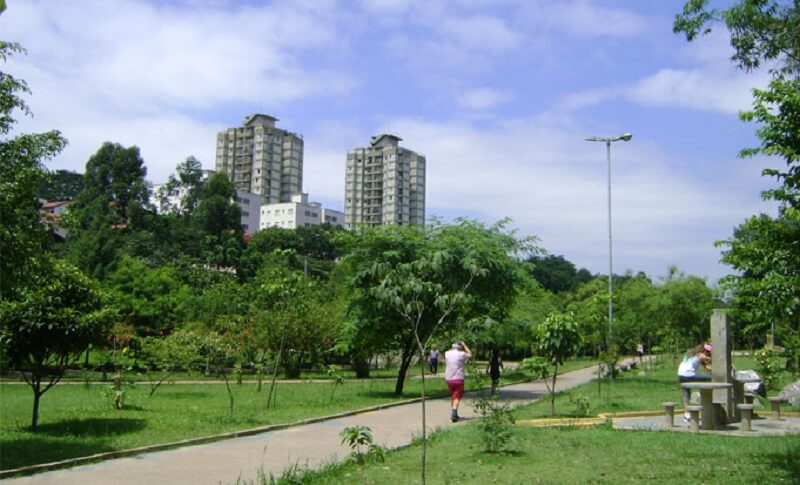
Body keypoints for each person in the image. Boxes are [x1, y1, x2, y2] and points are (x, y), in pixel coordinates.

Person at [677, 343, 712, 421]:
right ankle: (705, 396)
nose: (709, 354)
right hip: (689, 375)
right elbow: (709, 360)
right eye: (708, 352)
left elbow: (707, 367)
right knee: (711, 378)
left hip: (680, 375)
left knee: (686, 394)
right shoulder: (700, 355)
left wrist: (712, 369)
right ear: (704, 350)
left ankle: (686, 415)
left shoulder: (690, 355)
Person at [444, 341, 472, 422]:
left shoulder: (447, 353)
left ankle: (454, 412)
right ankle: (454, 412)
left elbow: (450, 350)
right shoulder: (462, 354)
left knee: (453, 395)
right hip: (458, 378)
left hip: (449, 379)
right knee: (457, 396)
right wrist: (464, 345)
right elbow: (470, 354)